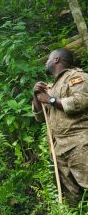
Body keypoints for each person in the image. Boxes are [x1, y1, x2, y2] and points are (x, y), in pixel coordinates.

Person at [32, 48, 88, 205]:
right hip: (59, 149)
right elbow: (40, 118)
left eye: (48, 58)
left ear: (56, 59)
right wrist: (36, 97)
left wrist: (50, 100)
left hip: (79, 144)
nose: (46, 62)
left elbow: (79, 102)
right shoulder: (51, 87)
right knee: (72, 200)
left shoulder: (77, 77)